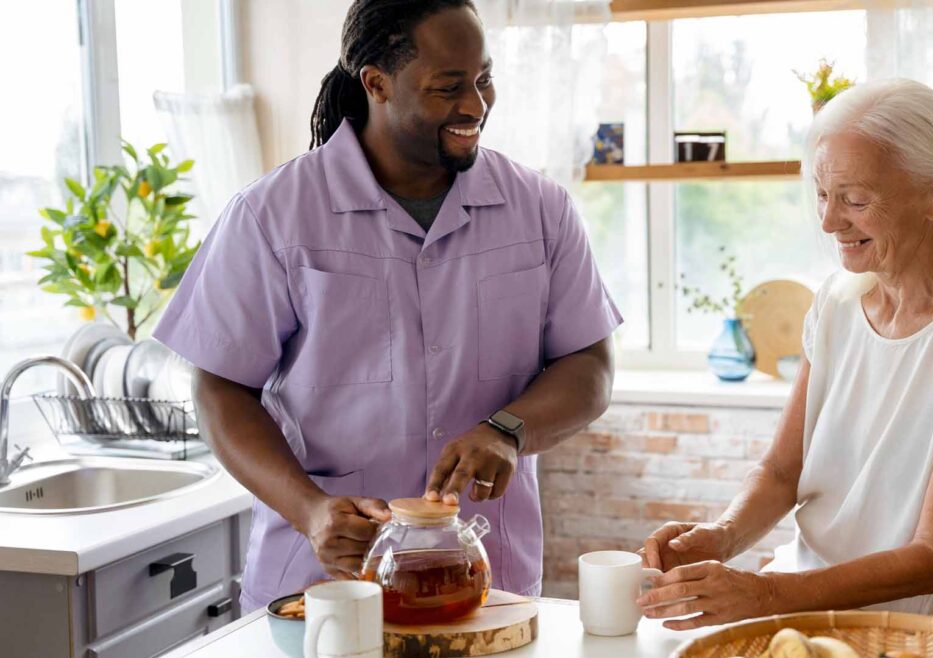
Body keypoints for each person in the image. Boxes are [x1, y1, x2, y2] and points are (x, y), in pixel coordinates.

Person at [154, 0, 620, 612]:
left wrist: (508, 431)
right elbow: (220, 389)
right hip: (322, 587)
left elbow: (590, 365)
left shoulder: (539, 208)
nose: (475, 105)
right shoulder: (274, 215)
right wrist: (309, 510)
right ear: (376, 83)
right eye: (448, 87)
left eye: (483, 79)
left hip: (487, 581)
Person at [638, 79, 933, 630]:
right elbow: (784, 470)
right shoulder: (836, 303)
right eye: (822, 196)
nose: (830, 222)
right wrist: (723, 536)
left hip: (918, 638)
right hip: (803, 620)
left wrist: (764, 594)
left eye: (856, 199)